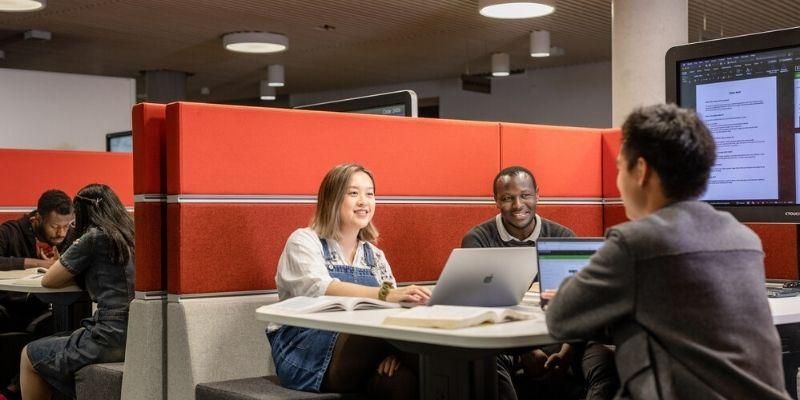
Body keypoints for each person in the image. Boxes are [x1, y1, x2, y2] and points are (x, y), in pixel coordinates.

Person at [545, 104, 791, 399]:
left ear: (640, 170)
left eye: (620, 167)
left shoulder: (635, 242)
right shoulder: (743, 237)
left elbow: (560, 318)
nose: (618, 181)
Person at [267, 163, 431, 399]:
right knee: (381, 334)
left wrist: (394, 352)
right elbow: (322, 288)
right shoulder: (304, 241)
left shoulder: (374, 255)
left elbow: (393, 310)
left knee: (400, 381)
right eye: (353, 193)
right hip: (305, 349)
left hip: (365, 349)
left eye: (370, 193)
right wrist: (388, 295)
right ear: (332, 199)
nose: (364, 201)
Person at [462, 166, 618, 400]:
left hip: (563, 338)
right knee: (487, 363)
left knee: (606, 362)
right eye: (507, 198)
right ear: (495, 200)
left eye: (525, 195)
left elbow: (579, 305)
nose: (517, 205)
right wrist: (525, 351)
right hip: (507, 341)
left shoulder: (562, 236)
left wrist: (567, 351)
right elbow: (479, 306)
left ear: (537, 194)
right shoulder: (478, 239)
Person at [19, 184, 135, 400]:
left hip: (109, 335)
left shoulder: (94, 237)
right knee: (65, 339)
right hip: (137, 333)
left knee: (29, 355)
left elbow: (50, 279)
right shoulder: (131, 234)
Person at [0, 190, 75, 400]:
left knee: (68, 327)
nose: (61, 232)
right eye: (54, 226)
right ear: (37, 218)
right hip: (10, 305)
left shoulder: (70, 236)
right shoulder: (10, 232)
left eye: (66, 225)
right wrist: (37, 263)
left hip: (46, 307)